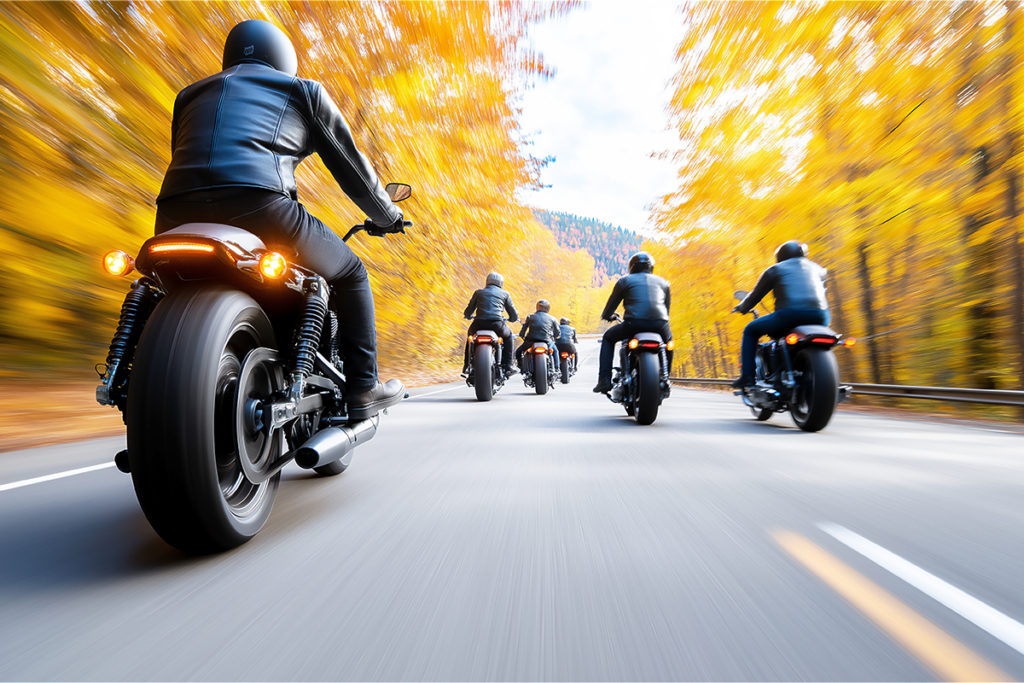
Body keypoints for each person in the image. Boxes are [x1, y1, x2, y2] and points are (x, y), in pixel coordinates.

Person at [153, 20, 405, 419]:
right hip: (260, 207)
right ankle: (363, 388)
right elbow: (353, 172)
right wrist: (388, 214)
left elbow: (188, 156)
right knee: (353, 272)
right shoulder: (301, 91)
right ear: (283, 57)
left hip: (174, 212)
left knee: (155, 285)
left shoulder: (189, 96)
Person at [731, 240, 830, 388]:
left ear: (781, 256)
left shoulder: (775, 269)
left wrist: (741, 307)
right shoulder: (819, 269)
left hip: (789, 314)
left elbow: (755, 296)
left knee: (750, 330)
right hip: (821, 316)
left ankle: (747, 377)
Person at [593, 252, 672, 394]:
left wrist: (608, 316)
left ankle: (604, 380)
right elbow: (666, 309)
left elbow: (610, 308)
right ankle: (665, 378)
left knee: (608, 338)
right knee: (668, 345)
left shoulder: (624, 281)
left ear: (632, 267)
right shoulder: (664, 283)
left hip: (634, 323)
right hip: (660, 325)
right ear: (651, 267)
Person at [463, 272, 519, 376]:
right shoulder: (505, 294)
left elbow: (468, 311)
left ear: (487, 281)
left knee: (470, 337)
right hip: (497, 325)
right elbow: (513, 314)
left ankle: (467, 365)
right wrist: (512, 319)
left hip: (478, 324)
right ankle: (508, 365)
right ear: (501, 283)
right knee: (509, 335)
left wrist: (468, 315)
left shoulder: (478, 292)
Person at [516, 300, 561, 369]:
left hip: (531, 341)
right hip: (546, 340)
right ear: (548, 308)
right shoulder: (553, 318)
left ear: (537, 307)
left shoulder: (530, 317)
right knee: (555, 351)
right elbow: (557, 332)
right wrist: (554, 338)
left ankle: (521, 366)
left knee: (518, 351)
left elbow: (523, 329)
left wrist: (521, 336)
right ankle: (556, 368)